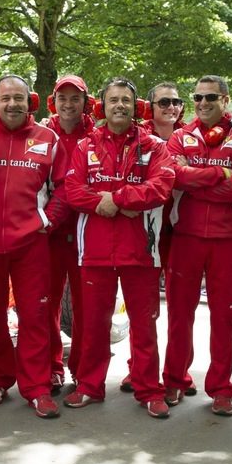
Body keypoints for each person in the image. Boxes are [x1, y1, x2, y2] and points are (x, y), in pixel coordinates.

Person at [63, 77, 174, 418]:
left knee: (144, 324)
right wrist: (108, 204)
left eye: (126, 100)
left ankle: (149, 389)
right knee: (94, 324)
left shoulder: (154, 146)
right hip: (94, 249)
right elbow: (72, 189)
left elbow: (162, 186)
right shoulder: (86, 145)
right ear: (103, 106)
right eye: (114, 100)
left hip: (140, 248)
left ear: (136, 106)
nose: (120, 106)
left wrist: (121, 198)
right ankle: (89, 386)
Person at [0, 74, 69, 418]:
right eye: (4, 99)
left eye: (18, 98)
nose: (12, 104)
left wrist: (46, 223)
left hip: (31, 245)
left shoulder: (48, 138)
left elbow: (63, 189)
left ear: (30, 100)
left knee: (35, 317)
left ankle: (37, 387)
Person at [163, 75, 232, 416]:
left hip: (227, 241)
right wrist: (220, 174)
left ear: (225, 100)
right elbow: (172, 176)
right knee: (178, 314)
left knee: (224, 317)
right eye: (198, 97)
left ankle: (220, 388)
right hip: (185, 237)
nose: (203, 103)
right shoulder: (179, 136)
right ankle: (174, 379)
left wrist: (195, 178)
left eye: (210, 98)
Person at [120, 81, 186, 393]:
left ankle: (178, 374)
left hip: (181, 230)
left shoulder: (191, 136)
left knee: (181, 306)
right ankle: (138, 370)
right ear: (150, 106)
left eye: (176, 102)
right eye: (164, 103)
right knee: (145, 307)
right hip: (145, 227)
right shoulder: (138, 136)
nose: (171, 108)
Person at [42, 74, 94, 391]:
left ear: (86, 103)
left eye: (76, 98)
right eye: (63, 98)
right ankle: (52, 367)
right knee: (45, 302)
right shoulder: (43, 134)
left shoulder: (98, 136)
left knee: (86, 304)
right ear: (54, 101)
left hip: (87, 232)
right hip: (49, 233)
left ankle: (83, 369)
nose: (69, 104)